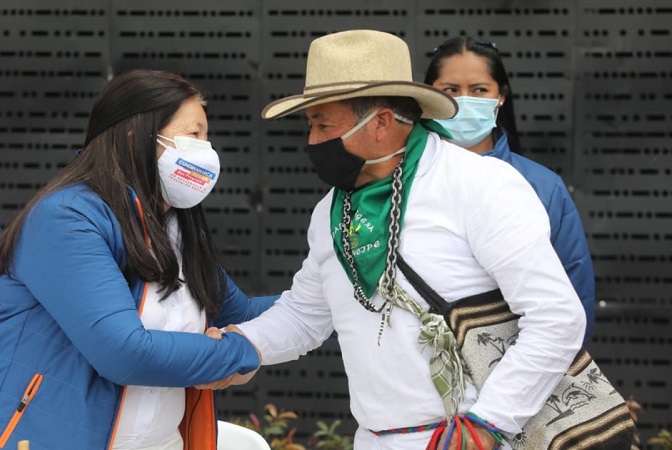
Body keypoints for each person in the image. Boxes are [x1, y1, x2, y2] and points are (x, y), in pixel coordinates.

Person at [209, 30, 585, 449]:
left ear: (382, 122)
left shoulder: (478, 185)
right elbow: (306, 314)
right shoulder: (330, 212)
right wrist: (242, 345)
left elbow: (557, 318)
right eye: (311, 125)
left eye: (323, 124)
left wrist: (486, 424)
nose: (312, 141)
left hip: (471, 439)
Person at [0, 69, 275, 450]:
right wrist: (239, 353)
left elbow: (242, 314)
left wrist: (336, 299)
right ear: (135, 138)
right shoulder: (67, 219)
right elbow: (123, 352)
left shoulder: (177, 227)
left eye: (207, 135)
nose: (207, 150)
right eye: (193, 135)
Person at [424, 36, 596, 343]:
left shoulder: (542, 187)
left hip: (514, 371)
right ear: (429, 96)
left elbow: (573, 294)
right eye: (450, 90)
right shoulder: (400, 182)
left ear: (500, 97)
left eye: (479, 90)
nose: (463, 101)